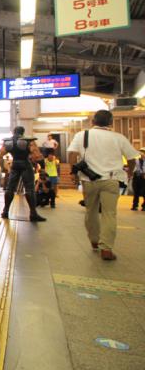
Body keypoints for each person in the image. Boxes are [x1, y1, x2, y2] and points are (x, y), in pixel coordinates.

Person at [67, 110, 141, 260]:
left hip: (89, 180)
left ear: (93, 122)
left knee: (91, 211)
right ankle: (106, 249)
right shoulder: (118, 137)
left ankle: (94, 241)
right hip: (111, 180)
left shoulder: (82, 135)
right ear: (111, 123)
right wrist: (129, 173)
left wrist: (73, 173)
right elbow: (132, 158)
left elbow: (72, 154)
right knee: (109, 214)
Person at [0, 126, 47, 222]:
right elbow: (37, 155)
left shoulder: (8, 141)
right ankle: (33, 213)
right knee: (30, 189)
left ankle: (5, 211)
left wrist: (3, 167)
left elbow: (0, 155)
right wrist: (41, 166)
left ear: (14, 132)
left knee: (10, 188)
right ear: (23, 132)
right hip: (25, 164)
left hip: (14, 165)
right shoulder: (28, 140)